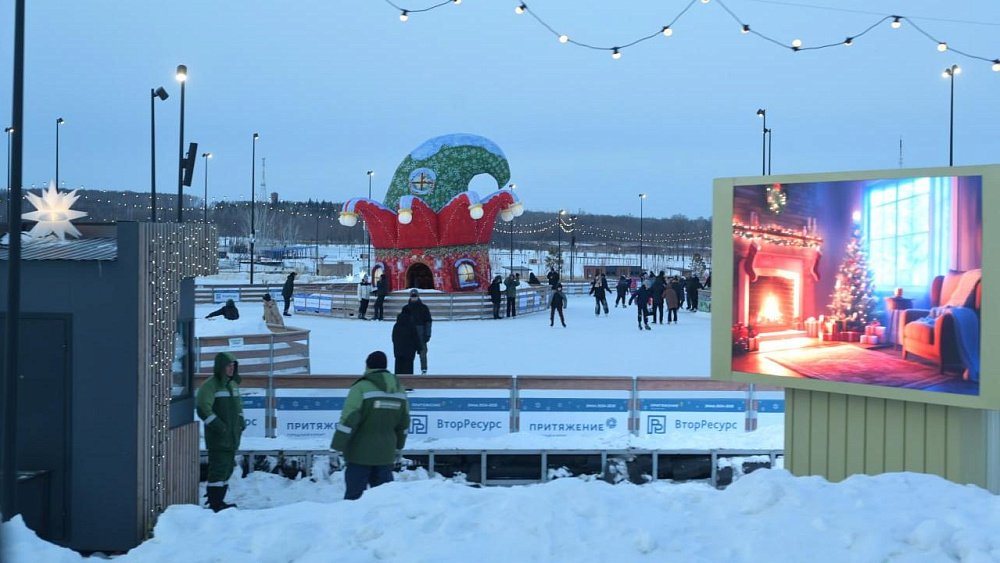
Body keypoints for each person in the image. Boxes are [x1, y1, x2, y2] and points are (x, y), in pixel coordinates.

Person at [330, 351, 410, 501]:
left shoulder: (361, 387)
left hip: (359, 455)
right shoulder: (399, 389)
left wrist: (337, 446)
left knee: (353, 499)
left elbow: (349, 420)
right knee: (383, 501)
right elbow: (404, 422)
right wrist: (399, 445)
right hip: (386, 454)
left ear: (367, 365)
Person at [196, 352, 245, 512]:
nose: (231, 369)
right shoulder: (210, 386)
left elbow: (238, 408)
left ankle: (219, 501)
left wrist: (240, 422)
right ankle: (215, 503)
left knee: (227, 468)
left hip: (232, 438)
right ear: (220, 367)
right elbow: (203, 408)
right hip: (218, 438)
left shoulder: (232, 385)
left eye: (233, 366)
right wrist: (220, 427)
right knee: (218, 469)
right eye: (228, 366)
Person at [401, 288, 432, 374]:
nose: (414, 298)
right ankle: (409, 371)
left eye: (415, 296)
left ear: (418, 296)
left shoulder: (424, 308)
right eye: (412, 296)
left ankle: (424, 370)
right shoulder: (406, 308)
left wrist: (428, 334)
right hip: (409, 334)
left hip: (421, 333)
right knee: (409, 354)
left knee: (423, 353)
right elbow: (402, 322)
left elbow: (428, 322)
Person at [391, 309, 422, 375]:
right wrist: (419, 348)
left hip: (398, 352)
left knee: (398, 371)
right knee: (408, 372)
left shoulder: (396, 325)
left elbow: (393, 338)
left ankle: (398, 384)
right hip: (409, 353)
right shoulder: (411, 325)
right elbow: (415, 338)